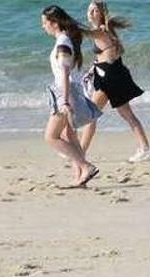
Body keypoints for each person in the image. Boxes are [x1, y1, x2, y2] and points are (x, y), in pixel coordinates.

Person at [78, 1, 150, 163]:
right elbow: (108, 55)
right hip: (110, 74)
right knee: (126, 115)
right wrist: (93, 68)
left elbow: (81, 31)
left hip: (110, 78)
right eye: (89, 10)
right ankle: (145, 148)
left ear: (101, 14)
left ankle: (79, 153)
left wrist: (63, 23)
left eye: (95, 11)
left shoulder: (99, 31)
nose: (91, 13)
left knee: (91, 115)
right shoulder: (106, 30)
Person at [41, 5, 101, 189]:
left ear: (54, 23)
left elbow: (65, 73)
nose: (43, 27)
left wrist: (65, 101)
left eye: (44, 23)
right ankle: (80, 176)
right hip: (66, 91)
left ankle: (85, 166)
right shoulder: (65, 41)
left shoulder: (63, 43)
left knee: (51, 137)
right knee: (69, 134)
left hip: (64, 93)